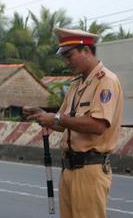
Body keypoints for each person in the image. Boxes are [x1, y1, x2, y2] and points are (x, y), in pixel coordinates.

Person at [23, 27, 123, 218]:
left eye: (69, 56)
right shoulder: (76, 85)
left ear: (86, 50)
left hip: (90, 169)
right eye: (64, 57)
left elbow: (98, 126)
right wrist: (41, 115)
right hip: (69, 169)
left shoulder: (106, 81)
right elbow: (63, 123)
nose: (67, 62)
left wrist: (57, 118)